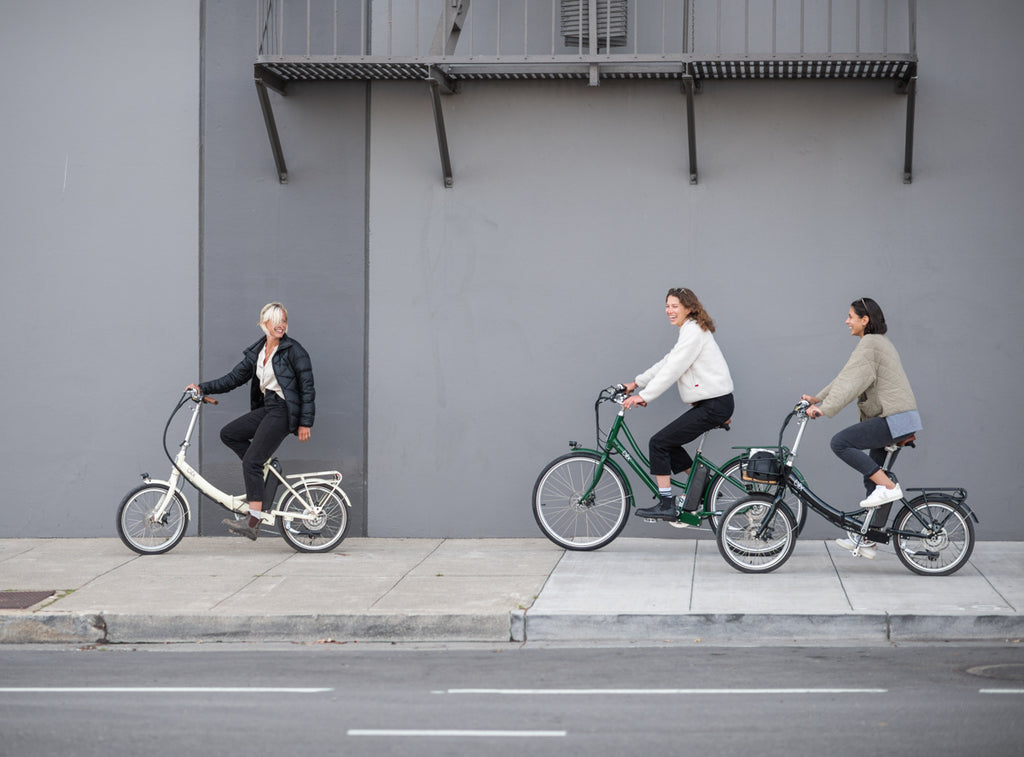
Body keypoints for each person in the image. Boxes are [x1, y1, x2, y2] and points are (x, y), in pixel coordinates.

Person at [802, 297, 921, 559]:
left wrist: (825, 408)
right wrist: (817, 398)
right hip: (899, 418)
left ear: (864, 320)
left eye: (850, 316)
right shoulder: (877, 343)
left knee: (841, 443)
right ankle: (870, 538)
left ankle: (889, 487)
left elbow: (852, 382)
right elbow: (846, 376)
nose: (846, 321)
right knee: (872, 478)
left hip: (894, 418)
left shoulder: (870, 343)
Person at [187, 302, 315, 540]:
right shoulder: (258, 351)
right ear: (264, 324)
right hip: (269, 408)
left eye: (284, 321)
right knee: (230, 434)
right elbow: (234, 378)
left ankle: (253, 521)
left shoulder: (294, 351)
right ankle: (266, 467)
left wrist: (305, 422)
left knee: (251, 462)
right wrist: (202, 387)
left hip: (284, 411)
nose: (281, 326)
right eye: (276, 322)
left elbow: (307, 387)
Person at [621, 287, 735, 520]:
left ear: (689, 308)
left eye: (674, 306)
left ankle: (666, 503)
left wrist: (645, 395)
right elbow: (668, 361)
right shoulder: (690, 331)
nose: (669, 311)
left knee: (659, 443)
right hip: (713, 403)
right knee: (669, 445)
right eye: (667, 306)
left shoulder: (693, 331)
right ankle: (705, 487)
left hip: (714, 405)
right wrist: (636, 383)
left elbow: (673, 369)